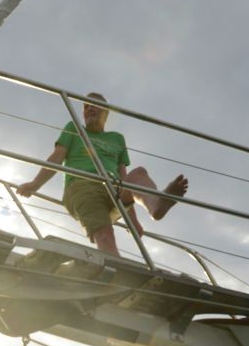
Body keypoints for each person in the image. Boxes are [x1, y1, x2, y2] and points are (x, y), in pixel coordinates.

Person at [16, 93, 189, 253]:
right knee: (106, 235)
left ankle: (156, 205)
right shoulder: (74, 128)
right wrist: (35, 184)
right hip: (82, 186)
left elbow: (124, 178)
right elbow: (57, 156)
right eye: (86, 106)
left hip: (113, 189)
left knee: (139, 173)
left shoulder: (117, 139)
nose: (89, 108)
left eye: (95, 105)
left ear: (105, 113)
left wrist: (133, 221)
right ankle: (116, 274)